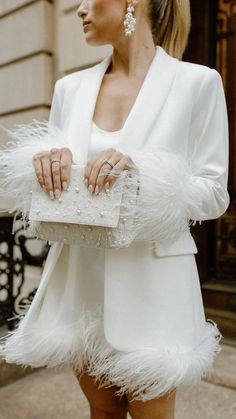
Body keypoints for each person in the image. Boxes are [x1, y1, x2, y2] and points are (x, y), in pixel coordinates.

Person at [0, 1, 230, 418]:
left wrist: (146, 177)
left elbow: (214, 194)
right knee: (102, 412)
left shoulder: (197, 82)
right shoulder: (70, 88)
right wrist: (44, 164)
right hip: (81, 280)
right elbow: (58, 182)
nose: (80, 10)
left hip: (156, 282)